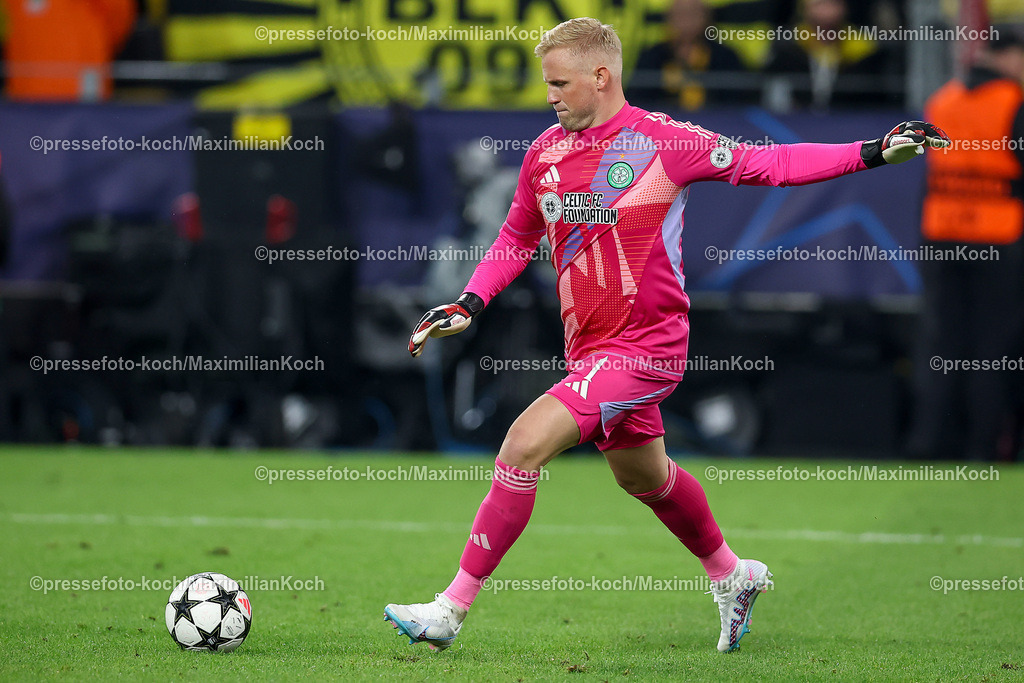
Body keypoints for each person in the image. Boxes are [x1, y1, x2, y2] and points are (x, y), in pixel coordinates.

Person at [384, 17, 948, 654]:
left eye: (560, 83)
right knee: (644, 478)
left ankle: (449, 610)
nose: (550, 95)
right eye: (548, 83)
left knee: (521, 447)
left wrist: (872, 150)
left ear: (602, 76)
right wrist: (470, 300)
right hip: (588, 350)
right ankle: (732, 574)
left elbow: (772, 163)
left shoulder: (665, 141)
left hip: (647, 346)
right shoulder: (545, 154)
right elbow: (517, 237)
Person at [910, 28, 1024, 461]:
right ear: (1009, 56)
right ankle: (984, 447)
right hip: (999, 240)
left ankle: (930, 443)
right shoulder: (1014, 103)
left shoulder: (942, 101)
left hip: (941, 239)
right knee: (992, 350)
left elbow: (929, 177)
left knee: (940, 345)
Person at [763, 0, 892, 109]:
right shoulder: (789, 46)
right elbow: (773, 92)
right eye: (820, 4)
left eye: (833, 3)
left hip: (849, 119)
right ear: (805, 10)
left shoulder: (864, 50)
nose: (827, 11)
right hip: (796, 119)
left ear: (844, 8)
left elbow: (873, 99)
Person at [627, 0, 751, 110]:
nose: (686, 21)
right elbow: (636, 101)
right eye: (680, 14)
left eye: (693, 14)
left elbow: (740, 104)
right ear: (668, 18)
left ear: (707, 18)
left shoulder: (726, 57)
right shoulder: (652, 57)